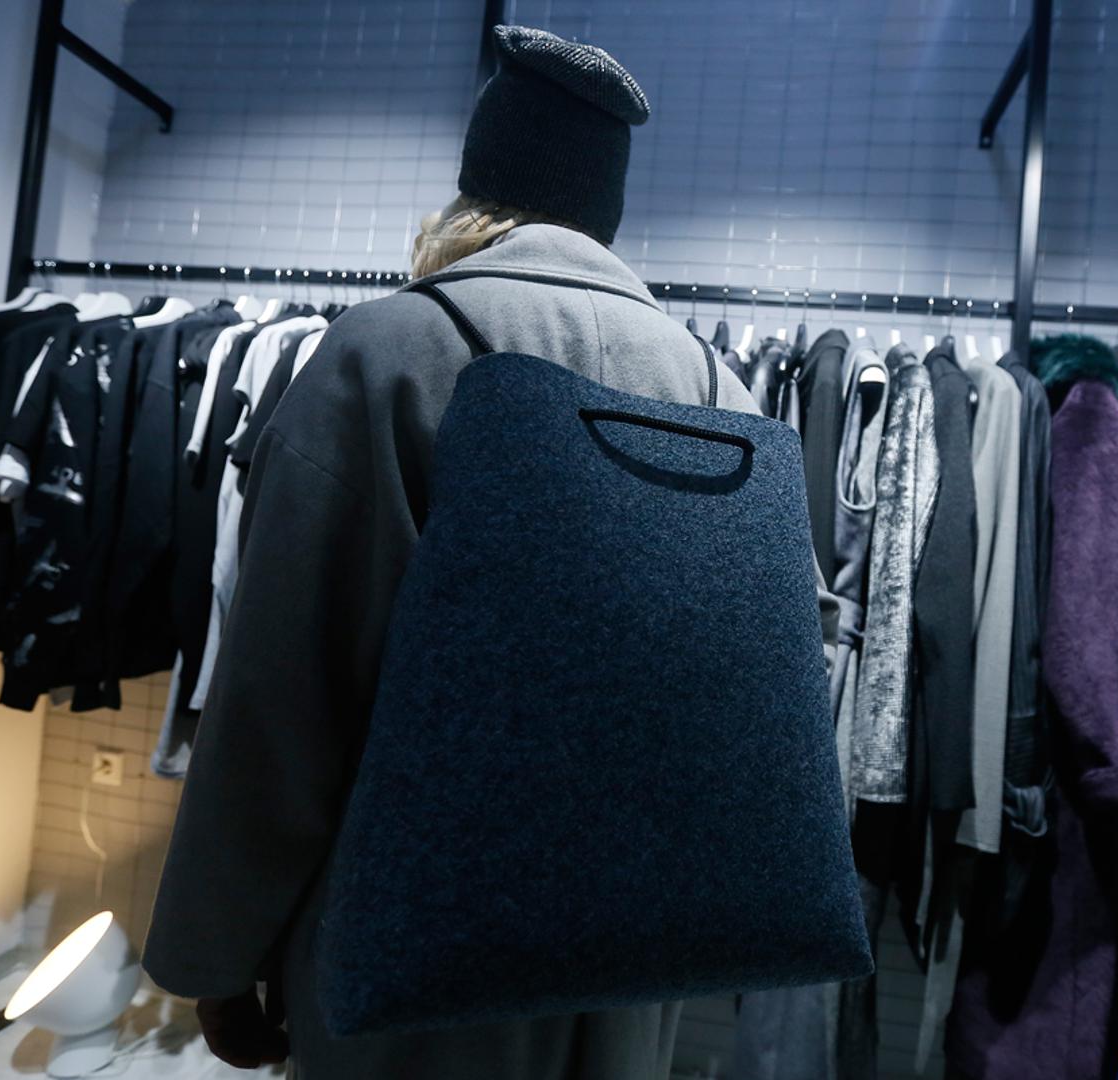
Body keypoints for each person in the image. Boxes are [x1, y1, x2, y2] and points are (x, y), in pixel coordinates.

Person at [142, 25, 773, 1079]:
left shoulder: (389, 353)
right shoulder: (719, 390)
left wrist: (216, 951)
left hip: (406, 951)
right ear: (607, 212)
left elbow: (284, 694)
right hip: (630, 952)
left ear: (472, 196)